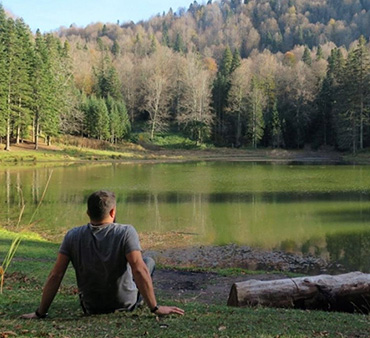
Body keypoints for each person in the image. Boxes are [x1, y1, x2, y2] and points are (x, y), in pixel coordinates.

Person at [21, 190, 184, 318]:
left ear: (88, 213)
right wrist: (155, 308)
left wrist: (39, 313)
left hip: (91, 307)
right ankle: (142, 301)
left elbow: (56, 275)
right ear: (112, 212)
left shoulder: (72, 235)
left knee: (141, 262)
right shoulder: (126, 232)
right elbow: (139, 270)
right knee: (148, 261)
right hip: (125, 305)